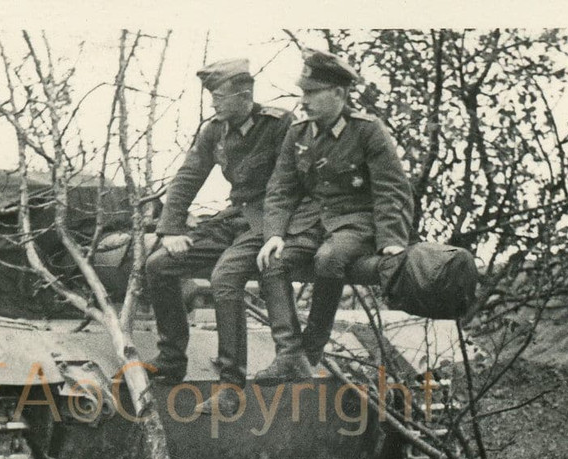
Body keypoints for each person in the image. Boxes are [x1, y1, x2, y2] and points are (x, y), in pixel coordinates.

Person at [146, 58, 313, 415]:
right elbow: (188, 176)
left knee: (224, 278)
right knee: (159, 265)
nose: (214, 105)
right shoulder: (215, 130)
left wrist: (285, 231)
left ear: (244, 95)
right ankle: (171, 359)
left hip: (271, 221)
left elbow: (295, 182)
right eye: (212, 97)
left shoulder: (279, 124)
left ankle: (230, 387)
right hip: (236, 218)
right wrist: (172, 228)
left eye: (219, 97)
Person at [255, 48, 414, 379]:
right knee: (272, 262)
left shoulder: (367, 130)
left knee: (329, 259)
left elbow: (391, 189)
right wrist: (275, 234)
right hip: (311, 222)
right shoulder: (299, 133)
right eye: (303, 92)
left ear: (339, 94)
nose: (304, 101)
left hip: (356, 222)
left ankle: (311, 350)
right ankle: (289, 354)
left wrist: (391, 240)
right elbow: (281, 189)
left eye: (313, 93)